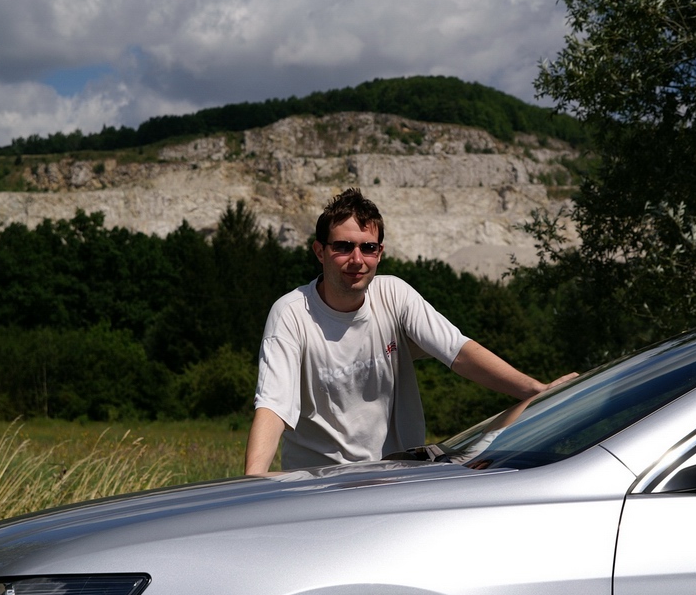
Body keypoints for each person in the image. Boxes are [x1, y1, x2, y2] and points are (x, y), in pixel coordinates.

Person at [244, 188, 576, 475]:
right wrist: (253, 484)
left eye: (368, 248)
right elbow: (273, 407)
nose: (357, 259)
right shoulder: (291, 314)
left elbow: (458, 352)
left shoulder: (394, 294)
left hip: (398, 476)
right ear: (320, 251)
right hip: (322, 483)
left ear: (380, 253)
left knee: (504, 440)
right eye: (343, 247)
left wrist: (537, 391)